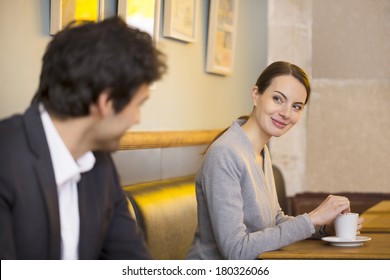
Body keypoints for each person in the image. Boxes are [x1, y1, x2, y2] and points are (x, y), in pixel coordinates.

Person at [0, 17, 167, 259]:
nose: (138, 118)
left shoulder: (102, 166)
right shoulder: (6, 159)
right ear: (106, 102)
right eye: (138, 104)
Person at [186, 61, 364, 260]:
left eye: (296, 106)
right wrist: (312, 218)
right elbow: (236, 250)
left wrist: (322, 227)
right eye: (278, 99)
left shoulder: (260, 151)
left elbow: (275, 220)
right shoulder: (225, 153)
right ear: (256, 95)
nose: (286, 113)